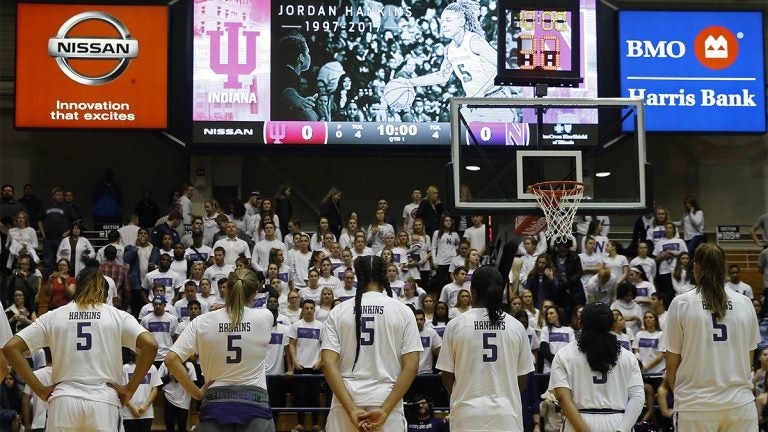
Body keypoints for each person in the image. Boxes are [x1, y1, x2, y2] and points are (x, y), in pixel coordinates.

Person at [2, 266, 158, 431]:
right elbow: (151, 345)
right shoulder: (117, 316)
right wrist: (130, 389)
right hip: (103, 401)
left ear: (77, 286)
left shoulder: (54, 316)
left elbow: (11, 348)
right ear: (102, 287)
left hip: (64, 400)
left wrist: (40, 390)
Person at [164, 268, 275, 431]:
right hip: (255, 403)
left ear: (227, 289)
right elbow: (240, 313)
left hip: (215, 402)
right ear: (254, 294)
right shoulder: (265, 317)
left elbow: (171, 360)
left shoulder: (201, 322)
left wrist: (196, 393)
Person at [665, 243, 760, 430]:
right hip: (740, 406)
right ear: (723, 269)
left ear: (695, 267)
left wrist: (684, 397)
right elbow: (749, 360)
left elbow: (671, 365)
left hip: (695, 406)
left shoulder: (681, 303)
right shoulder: (746, 303)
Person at [321, 255, 421, 431]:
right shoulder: (403, 312)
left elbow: (327, 363)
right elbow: (412, 366)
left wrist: (352, 410)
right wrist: (384, 410)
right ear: (384, 276)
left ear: (358, 276)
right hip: (386, 400)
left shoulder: (338, 312)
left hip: (345, 403)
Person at [436, 266, 534, 431]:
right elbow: (522, 380)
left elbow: (447, 376)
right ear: (501, 291)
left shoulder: (455, 325)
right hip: (507, 415)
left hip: (466, 415)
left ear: (472, 292)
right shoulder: (517, 327)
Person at [549, 303, 644, 432]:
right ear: (611, 325)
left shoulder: (563, 355)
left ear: (580, 323)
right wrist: (622, 430)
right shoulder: (628, 357)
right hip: (618, 420)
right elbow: (637, 398)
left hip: (578, 422)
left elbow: (562, 398)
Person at [274, 33, 317, 120]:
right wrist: (300, 102)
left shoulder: (282, 72)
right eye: (308, 53)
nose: (309, 56)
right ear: (301, 57)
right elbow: (288, 92)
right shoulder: (290, 74)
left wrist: (302, 99)